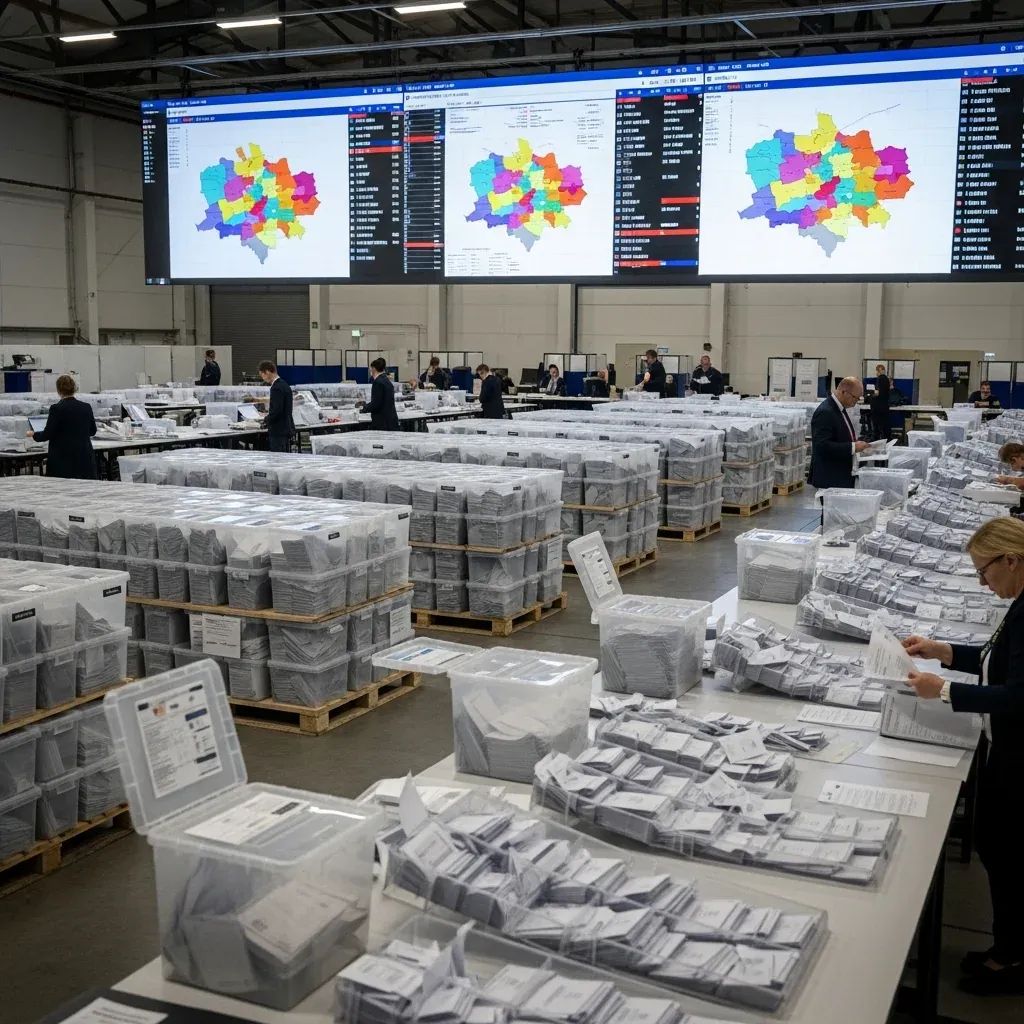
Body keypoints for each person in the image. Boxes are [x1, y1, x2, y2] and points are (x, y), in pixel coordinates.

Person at [902, 516, 1024, 995]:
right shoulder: (1018, 603)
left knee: (1009, 853)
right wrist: (944, 651)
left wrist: (946, 692)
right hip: (1007, 750)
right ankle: (1006, 946)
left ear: (1011, 560)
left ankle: (1012, 958)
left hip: (1018, 756)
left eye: (984, 572)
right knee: (997, 846)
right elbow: (1000, 659)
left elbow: (1018, 695)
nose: (982, 582)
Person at [26, 374, 97, 479]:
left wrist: (33, 434)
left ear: (59, 390)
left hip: (63, 460)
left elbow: (48, 434)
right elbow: (93, 431)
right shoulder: (86, 407)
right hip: (84, 457)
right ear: (74, 388)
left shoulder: (56, 409)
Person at [809, 376, 869, 489]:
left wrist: (856, 443)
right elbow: (822, 446)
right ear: (843, 392)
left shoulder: (839, 408)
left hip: (840, 476)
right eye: (855, 398)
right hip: (830, 478)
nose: (856, 402)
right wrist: (853, 447)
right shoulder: (825, 412)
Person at [258, 360, 294, 453]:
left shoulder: (276, 388)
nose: (263, 379)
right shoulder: (285, 385)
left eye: (262, 375)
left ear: (267, 372)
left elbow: (277, 411)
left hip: (278, 430)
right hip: (286, 428)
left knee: (278, 460)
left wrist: (265, 419)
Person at [364, 357, 400, 431]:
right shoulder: (386, 380)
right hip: (390, 420)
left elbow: (376, 403)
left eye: (371, 368)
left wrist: (364, 408)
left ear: (374, 369)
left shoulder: (378, 382)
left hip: (382, 422)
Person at [868, 362, 890, 442]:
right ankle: (886, 440)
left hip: (878, 407)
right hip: (884, 405)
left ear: (879, 371)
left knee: (876, 425)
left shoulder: (880, 379)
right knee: (885, 425)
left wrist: (870, 394)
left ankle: (876, 440)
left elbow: (877, 393)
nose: (876, 373)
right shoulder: (886, 379)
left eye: (877, 371)